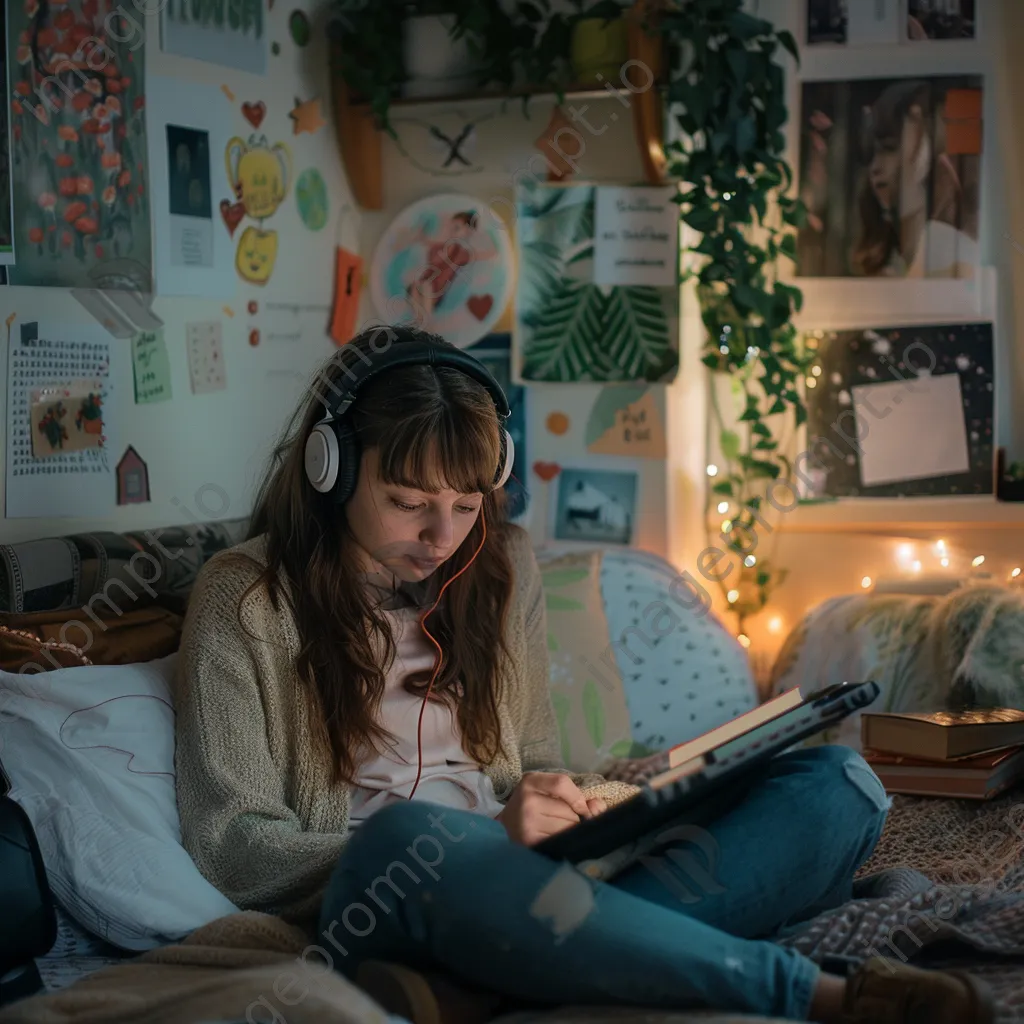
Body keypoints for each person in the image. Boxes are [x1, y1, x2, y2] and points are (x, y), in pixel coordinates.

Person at [173, 325, 994, 1024]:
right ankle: (816, 995)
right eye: (407, 500)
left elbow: (526, 761)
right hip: (390, 884)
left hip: (541, 883)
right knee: (407, 836)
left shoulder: (500, 569)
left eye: (467, 505)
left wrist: (603, 797)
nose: (441, 535)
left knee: (838, 783)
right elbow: (236, 848)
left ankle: (487, 985)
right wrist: (482, 840)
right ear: (332, 470)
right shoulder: (245, 598)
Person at [851, 80, 978, 278]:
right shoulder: (888, 258)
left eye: (889, 148)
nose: (875, 167)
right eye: (870, 154)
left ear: (926, 154)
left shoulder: (952, 251)